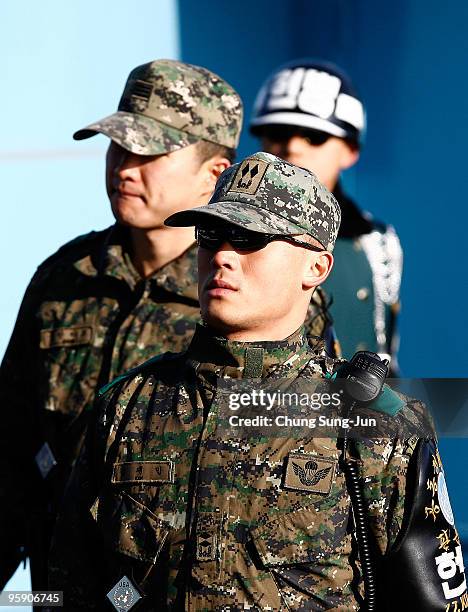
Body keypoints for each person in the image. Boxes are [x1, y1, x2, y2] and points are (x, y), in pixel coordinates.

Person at [50, 152, 466, 610]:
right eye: (212, 234)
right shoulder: (127, 407)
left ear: (316, 267)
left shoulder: (377, 424)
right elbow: (75, 589)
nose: (223, 256)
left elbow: (435, 604)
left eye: (250, 237)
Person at [0, 58, 243, 591]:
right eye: (118, 147)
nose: (124, 168)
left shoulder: (246, 296)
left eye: (149, 152)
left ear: (215, 175)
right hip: (58, 592)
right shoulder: (64, 279)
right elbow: (11, 450)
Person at [250, 60, 403, 372]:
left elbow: (384, 353)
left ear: (350, 150)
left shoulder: (377, 241)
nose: (292, 146)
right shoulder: (219, 235)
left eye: (313, 136)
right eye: (277, 132)